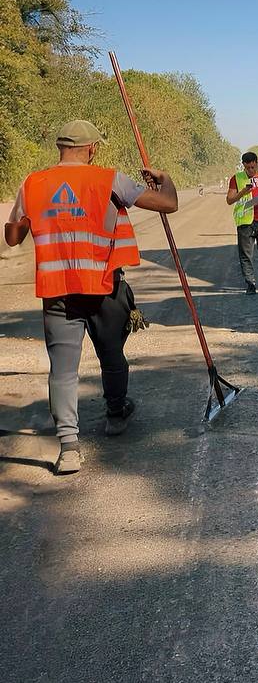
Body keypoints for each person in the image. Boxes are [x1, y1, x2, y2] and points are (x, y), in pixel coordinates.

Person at [4, 120, 178, 475]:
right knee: (112, 356)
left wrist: (27, 219)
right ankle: (115, 414)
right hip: (104, 288)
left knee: (63, 371)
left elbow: (12, 237)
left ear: (60, 147)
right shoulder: (110, 179)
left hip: (57, 292)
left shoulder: (32, 184)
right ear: (92, 148)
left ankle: (68, 448)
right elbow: (168, 204)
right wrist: (164, 178)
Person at [226, 151, 258, 293]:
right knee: (245, 255)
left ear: (257, 164)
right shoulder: (236, 179)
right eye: (247, 168)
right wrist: (243, 192)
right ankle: (250, 284)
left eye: (253, 167)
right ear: (243, 165)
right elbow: (229, 200)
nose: (250, 171)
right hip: (246, 223)